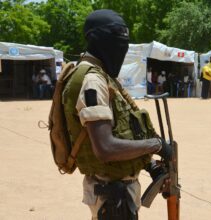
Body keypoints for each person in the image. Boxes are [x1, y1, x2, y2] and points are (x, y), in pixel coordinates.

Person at [62, 10, 171, 220]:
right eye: (115, 41)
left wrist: (151, 166)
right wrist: (156, 145)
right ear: (97, 40)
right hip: (111, 197)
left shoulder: (103, 76)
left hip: (118, 191)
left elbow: (125, 132)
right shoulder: (93, 81)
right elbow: (106, 148)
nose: (121, 48)